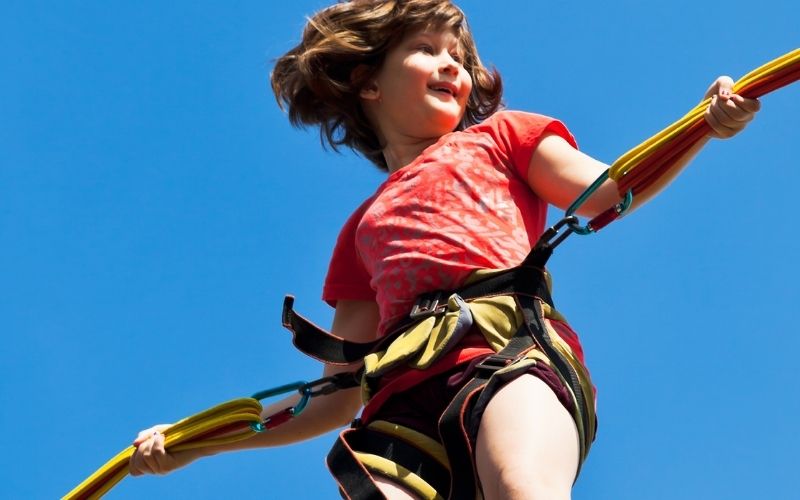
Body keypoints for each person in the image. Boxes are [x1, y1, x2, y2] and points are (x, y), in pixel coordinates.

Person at [127, 1, 760, 499]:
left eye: (457, 55)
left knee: (522, 488)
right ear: (367, 83)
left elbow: (606, 191)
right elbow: (336, 395)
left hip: (507, 353)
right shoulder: (360, 231)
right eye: (426, 50)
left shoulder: (504, 138)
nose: (452, 64)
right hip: (401, 408)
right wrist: (196, 444)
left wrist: (704, 126)